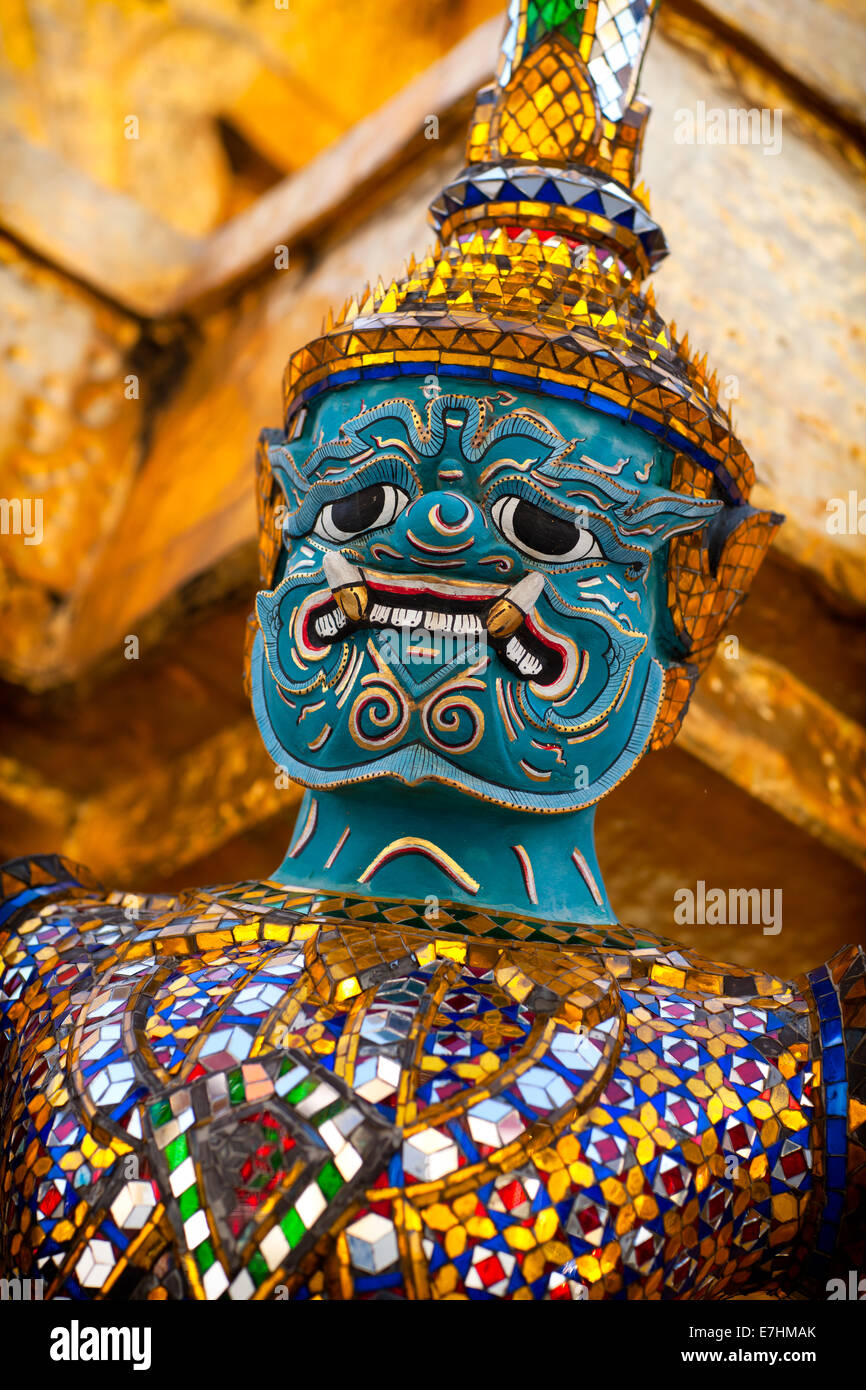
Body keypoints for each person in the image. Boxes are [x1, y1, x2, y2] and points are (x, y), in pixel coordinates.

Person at [1, 0, 861, 1301]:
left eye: (544, 517)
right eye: (354, 504)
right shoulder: (43, 969)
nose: (439, 530)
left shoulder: (777, 1088)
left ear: (680, 628)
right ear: (276, 553)